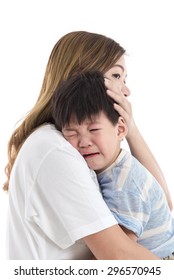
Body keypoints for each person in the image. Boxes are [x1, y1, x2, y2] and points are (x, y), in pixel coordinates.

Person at [3, 31, 172, 260]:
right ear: (83, 79)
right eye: (116, 75)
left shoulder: (75, 147)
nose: (126, 90)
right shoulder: (56, 149)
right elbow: (120, 255)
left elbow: (161, 204)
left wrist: (131, 130)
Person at [51, 71, 174, 260]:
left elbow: (118, 252)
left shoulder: (125, 184)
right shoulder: (109, 166)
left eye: (94, 130)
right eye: (71, 133)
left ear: (121, 129)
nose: (84, 142)